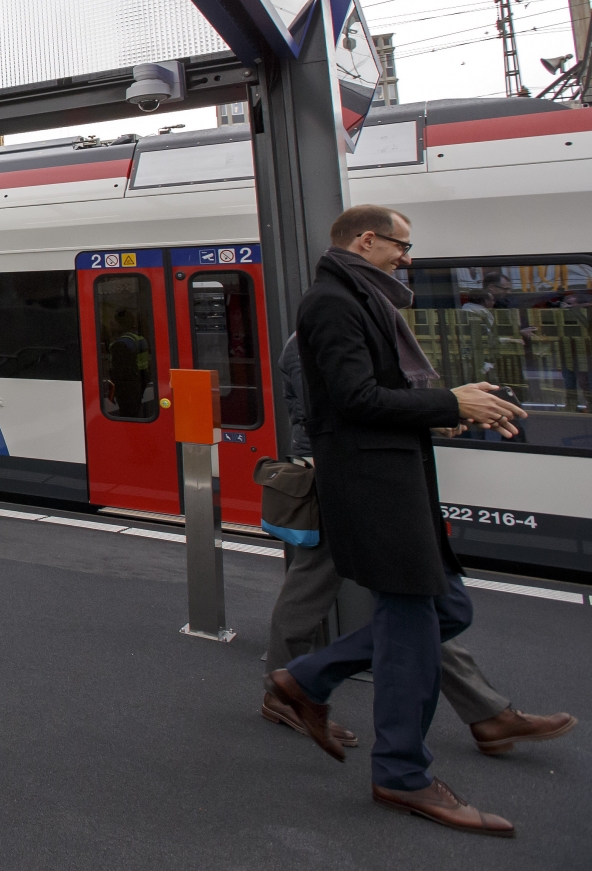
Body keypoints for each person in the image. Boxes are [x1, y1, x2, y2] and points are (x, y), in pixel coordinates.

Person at [263, 205, 533, 836]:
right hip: (372, 488)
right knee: (415, 621)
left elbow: (369, 398)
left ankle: (304, 679)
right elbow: (353, 399)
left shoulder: (364, 300)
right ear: (366, 240)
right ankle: (403, 775)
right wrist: (447, 401)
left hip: (392, 481)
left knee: (447, 609)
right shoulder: (332, 303)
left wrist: (438, 412)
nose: (407, 258)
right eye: (401, 246)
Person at [262, 333, 573, 755]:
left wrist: (434, 416)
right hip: (338, 477)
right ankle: (287, 691)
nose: (405, 262)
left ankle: (488, 714)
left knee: (411, 600)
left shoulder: (345, 334)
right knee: (332, 590)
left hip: (362, 474)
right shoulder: (318, 336)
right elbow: (339, 410)